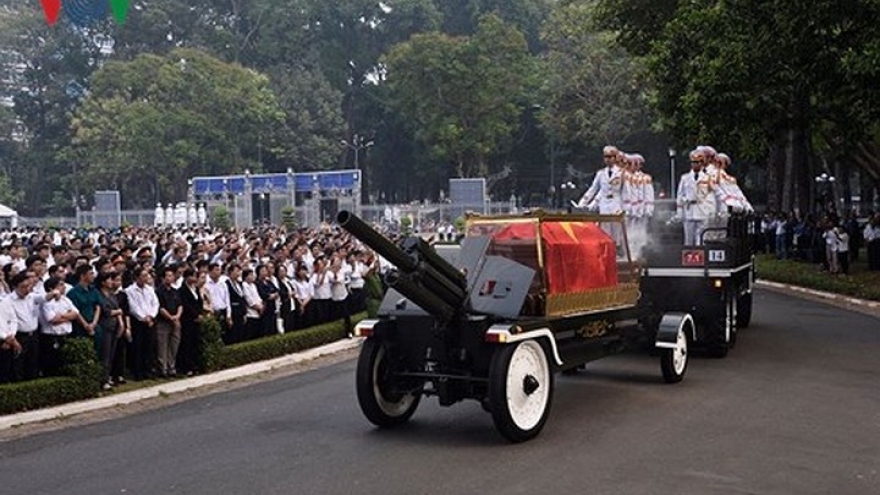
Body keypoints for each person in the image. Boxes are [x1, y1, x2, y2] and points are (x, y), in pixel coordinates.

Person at [39, 277, 79, 376]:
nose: (64, 287)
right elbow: (52, 320)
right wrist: (68, 316)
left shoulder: (65, 299)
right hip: (51, 337)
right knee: (52, 365)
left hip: (65, 335)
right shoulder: (46, 302)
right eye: (60, 285)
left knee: (64, 363)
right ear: (51, 289)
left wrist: (61, 316)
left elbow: (75, 314)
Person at [125, 266, 160, 381]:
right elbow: (133, 307)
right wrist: (143, 317)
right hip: (138, 322)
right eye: (143, 276)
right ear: (136, 278)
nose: (146, 278)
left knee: (149, 346)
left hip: (150, 320)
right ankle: (138, 372)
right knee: (138, 347)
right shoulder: (130, 291)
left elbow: (155, 303)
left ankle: (148, 370)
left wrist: (151, 316)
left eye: (147, 276)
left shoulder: (149, 289)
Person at [677, 149, 717, 246]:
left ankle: (701, 259)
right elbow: (680, 195)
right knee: (688, 240)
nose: (695, 165)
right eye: (693, 162)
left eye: (697, 162)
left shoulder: (707, 178)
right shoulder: (685, 178)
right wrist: (680, 212)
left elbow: (712, 196)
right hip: (689, 210)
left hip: (702, 210)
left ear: (702, 163)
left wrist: (712, 211)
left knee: (701, 239)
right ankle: (688, 258)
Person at [8, 272, 42, 381]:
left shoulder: (32, 297)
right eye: (23, 287)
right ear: (14, 287)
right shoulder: (8, 301)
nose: (26, 290)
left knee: (33, 363)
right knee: (18, 365)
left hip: (33, 335)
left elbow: (44, 298)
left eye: (28, 286)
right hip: (19, 336)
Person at [576, 145, 624, 215]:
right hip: (604, 204)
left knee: (616, 225)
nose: (607, 159)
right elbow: (593, 189)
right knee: (604, 225)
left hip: (616, 203)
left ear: (615, 158)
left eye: (610, 157)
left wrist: (625, 207)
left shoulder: (621, 173)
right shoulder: (601, 173)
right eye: (605, 157)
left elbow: (625, 191)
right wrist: (583, 202)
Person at [96, 271, 124, 389]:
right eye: (109, 280)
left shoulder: (112, 294)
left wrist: (121, 323)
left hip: (114, 326)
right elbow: (106, 311)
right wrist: (117, 312)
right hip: (105, 326)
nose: (111, 282)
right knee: (105, 354)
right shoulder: (99, 295)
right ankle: (103, 379)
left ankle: (108, 376)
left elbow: (117, 308)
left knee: (111, 353)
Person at [156, 266, 183, 377]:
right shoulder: (158, 291)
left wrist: (177, 316)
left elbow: (180, 305)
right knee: (163, 345)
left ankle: (172, 366)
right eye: (167, 276)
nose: (170, 278)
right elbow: (160, 307)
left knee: (174, 345)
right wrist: (171, 317)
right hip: (163, 322)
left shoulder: (175, 291)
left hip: (175, 321)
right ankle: (163, 369)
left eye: (171, 275)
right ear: (163, 278)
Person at [177, 268, 203, 376]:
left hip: (197, 320)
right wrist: (195, 314)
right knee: (187, 343)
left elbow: (199, 302)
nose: (194, 278)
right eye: (192, 276)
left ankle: (195, 365)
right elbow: (186, 305)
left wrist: (200, 314)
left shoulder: (196, 289)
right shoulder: (182, 290)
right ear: (187, 277)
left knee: (195, 342)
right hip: (187, 320)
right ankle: (187, 367)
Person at [0, 293, 23, 383]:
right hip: (5, 340)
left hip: (8, 341)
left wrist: (11, 337)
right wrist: (6, 338)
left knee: (6, 371)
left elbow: (13, 320)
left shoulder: (5, 301)